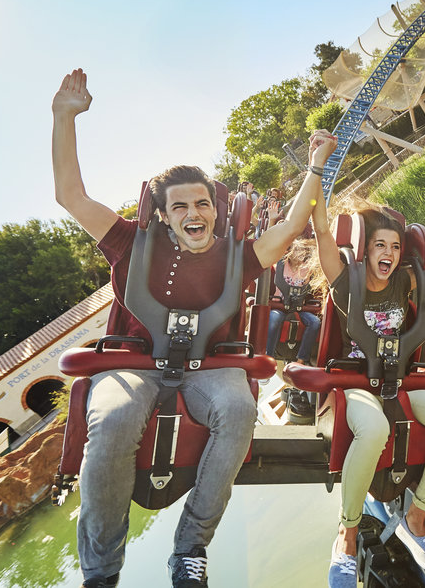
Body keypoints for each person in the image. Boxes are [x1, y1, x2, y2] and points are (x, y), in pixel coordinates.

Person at [51, 68, 337, 588]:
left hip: (211, 367)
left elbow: (293, 225)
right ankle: (101, 570)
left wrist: (317, 164)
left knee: (239, 407)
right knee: (112, 417)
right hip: (134, 365)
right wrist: (63, 116)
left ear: (216, 208)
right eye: (179, 205)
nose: (193, 212)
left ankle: (190, 549)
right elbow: (71, 195)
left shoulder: (237, 255)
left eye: (202, 203)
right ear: (162, 215)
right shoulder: (130, 244)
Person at [310, 172, 425, 588]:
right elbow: (320, 231)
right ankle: (347, 535)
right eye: (379, 245)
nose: (387, 253)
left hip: (400, 382)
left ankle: (416, 517)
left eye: (394, 246)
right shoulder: (345, 283)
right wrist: (317, 168)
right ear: (366, 251)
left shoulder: (405, 280)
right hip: (357, 382)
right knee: (375, 429)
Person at [266, 238, 321, 365]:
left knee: (315, 322)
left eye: (304, 251)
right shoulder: (281, 264)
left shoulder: (307, 269)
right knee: (274, 319)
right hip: (280, 305)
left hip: (298, 307)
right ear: (291, 252)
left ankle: (301, 359)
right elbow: (271, 251)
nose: (301, 254)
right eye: (298, 250)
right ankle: (268, 357)